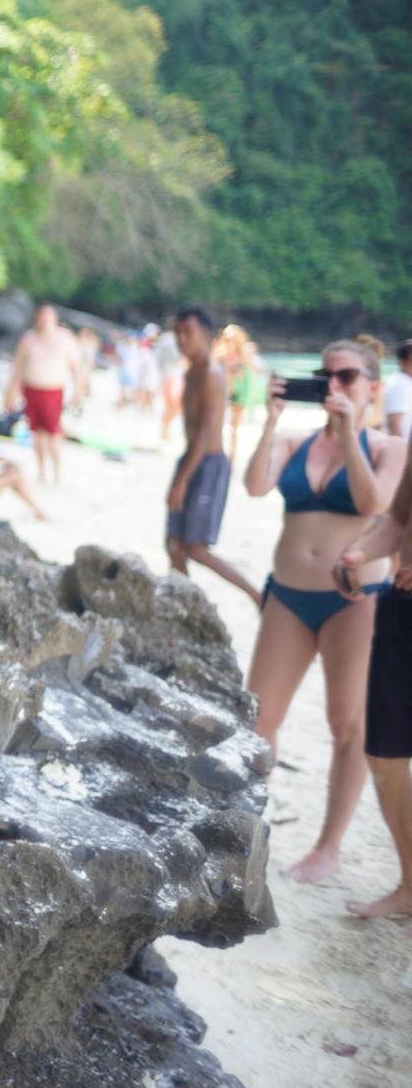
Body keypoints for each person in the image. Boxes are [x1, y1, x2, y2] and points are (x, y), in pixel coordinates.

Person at [240, 339, 409, 882]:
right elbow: (254, 485)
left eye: (348, 377)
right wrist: (269, 420)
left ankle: (328, 848)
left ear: (372, 387)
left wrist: (350, 433)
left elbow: (373, 504)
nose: (334, 385)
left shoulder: (389, 448)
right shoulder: (294, 439)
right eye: (325, 376)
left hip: (355, 602)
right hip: (288, 596)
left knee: (347, 725)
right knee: (259, 719)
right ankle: (244, 831)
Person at [335, 451, 412, 922]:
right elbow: (400, 517)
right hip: (402, 608)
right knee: (385, 757)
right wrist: (360, 552)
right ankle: (409, 885)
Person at [165, 309, 254, 599]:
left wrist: (182, 480)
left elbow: (205, 432)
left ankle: (255, 595)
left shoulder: (212, 375)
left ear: (206, 335)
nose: (181, 338)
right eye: (177, 331)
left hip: (208, 464)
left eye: (188, 331)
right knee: (174, 543)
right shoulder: (191, 372)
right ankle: (182, 605)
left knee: (197, 549)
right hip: (190, 458)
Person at [5, 303, 81, 485]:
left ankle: (57, 472)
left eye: (48, 317)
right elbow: (17, 368)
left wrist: (78, 392)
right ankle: (42, 471)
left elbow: (76, 369)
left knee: (54, 433)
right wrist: (10, 394)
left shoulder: (64, 339)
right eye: (42, 317)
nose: (45, 321)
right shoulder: (29, 339)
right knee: (37, 434)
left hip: (53, 391)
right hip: (31, 390)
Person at [227, 339, 267, 458]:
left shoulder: (252, 363)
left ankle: (233, 451)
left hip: (243, 395)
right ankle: (232, 451)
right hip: (237, 395)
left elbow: (260, 374)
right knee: (234, 425)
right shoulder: (239, 363)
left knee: (235, 425)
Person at [156, 328, 185, 443]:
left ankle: (165, 431)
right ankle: (165, 431)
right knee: (174, 406)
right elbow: (179, 358)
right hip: (173, 376)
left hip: (168, 376)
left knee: (171, 406)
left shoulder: (165, 339)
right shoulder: (171, 340)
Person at [387, 340, 412, 438]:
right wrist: (402, 452)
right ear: (403, 362)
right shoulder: (399, 385)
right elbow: (394, 424)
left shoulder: (406, 381)